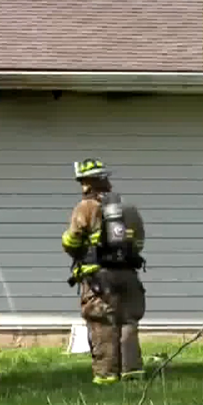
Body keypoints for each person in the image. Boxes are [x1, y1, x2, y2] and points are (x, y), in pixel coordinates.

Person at [61, 158, 148, 385]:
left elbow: (71, 241)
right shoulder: (127, 208)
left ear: (88, 183)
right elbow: (139, 242)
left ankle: (106, 376)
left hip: (99, 279)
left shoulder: (85, 207)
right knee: (128, 321)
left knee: (102, 324)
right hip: (129, 276)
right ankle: (132, 372)